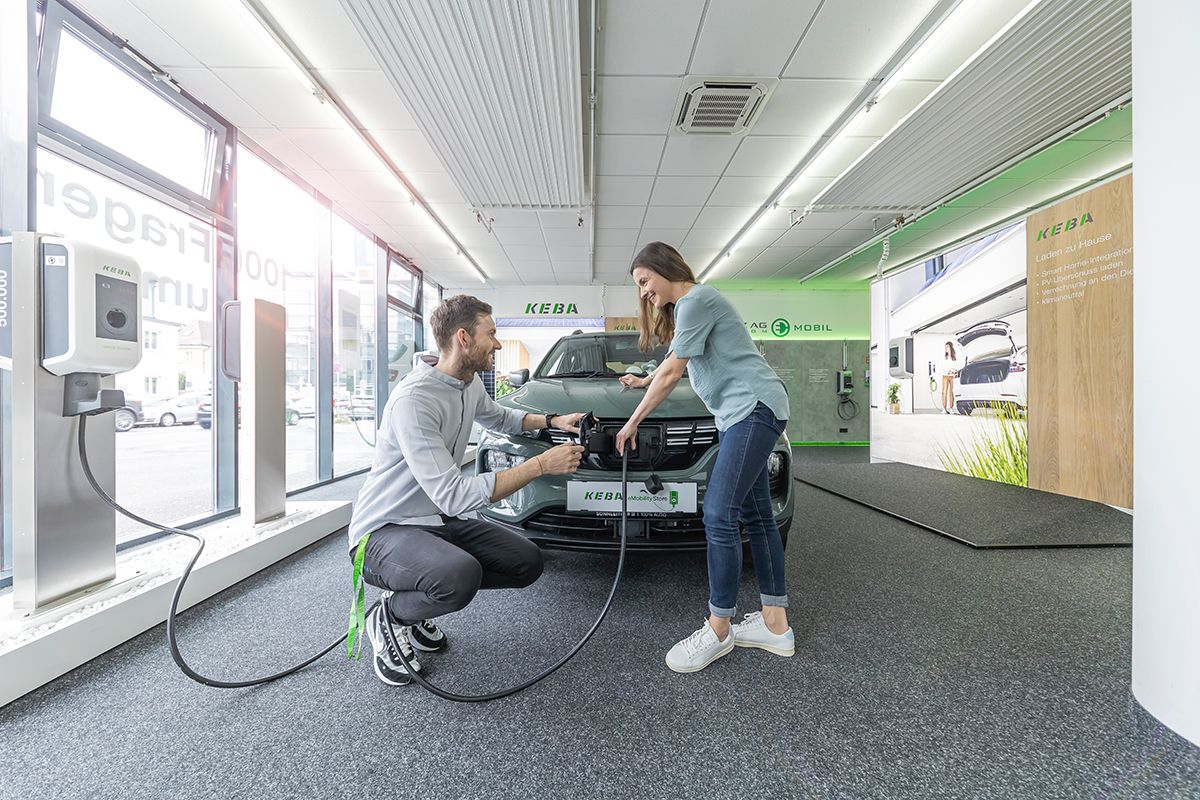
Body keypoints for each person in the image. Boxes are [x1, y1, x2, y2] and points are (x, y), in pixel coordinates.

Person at [348, 295, 586, 686]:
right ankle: (391, 615)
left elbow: (500, 417)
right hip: (382, 532)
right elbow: (454, 496)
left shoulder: (466, 382)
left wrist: (554, 419)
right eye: (490, 334)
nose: (496, 343)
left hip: (435, 523)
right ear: (463, 337)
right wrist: (542, 464)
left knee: (526, 562)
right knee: (460, 575)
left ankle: (417, 598)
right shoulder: (414, 401)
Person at [615, 242, 794, 673]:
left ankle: (718, 628)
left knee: (717, 512)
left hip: (753, 408)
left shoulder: (697, 299)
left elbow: (674, 371)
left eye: (644, 281)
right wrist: (644, 380)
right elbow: (672, 361)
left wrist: (632, 422)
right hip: (744, 414)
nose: (643, 293)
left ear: (663, 268)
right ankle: (775, 624)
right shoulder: (692, 307)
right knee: (757, 517)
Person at [940, 341, 960, 414]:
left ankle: (951, 408)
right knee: (944, 392)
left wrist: (953, 371)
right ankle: (944, 408)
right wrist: (949, 370)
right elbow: (943, 367)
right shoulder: (944, 357)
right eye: (945, 347)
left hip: (952, 377)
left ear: (950, 347)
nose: (946, 349)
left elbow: (956, 367)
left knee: (951, 392)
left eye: (947, 347)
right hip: (945, 376)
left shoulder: (954, 357)